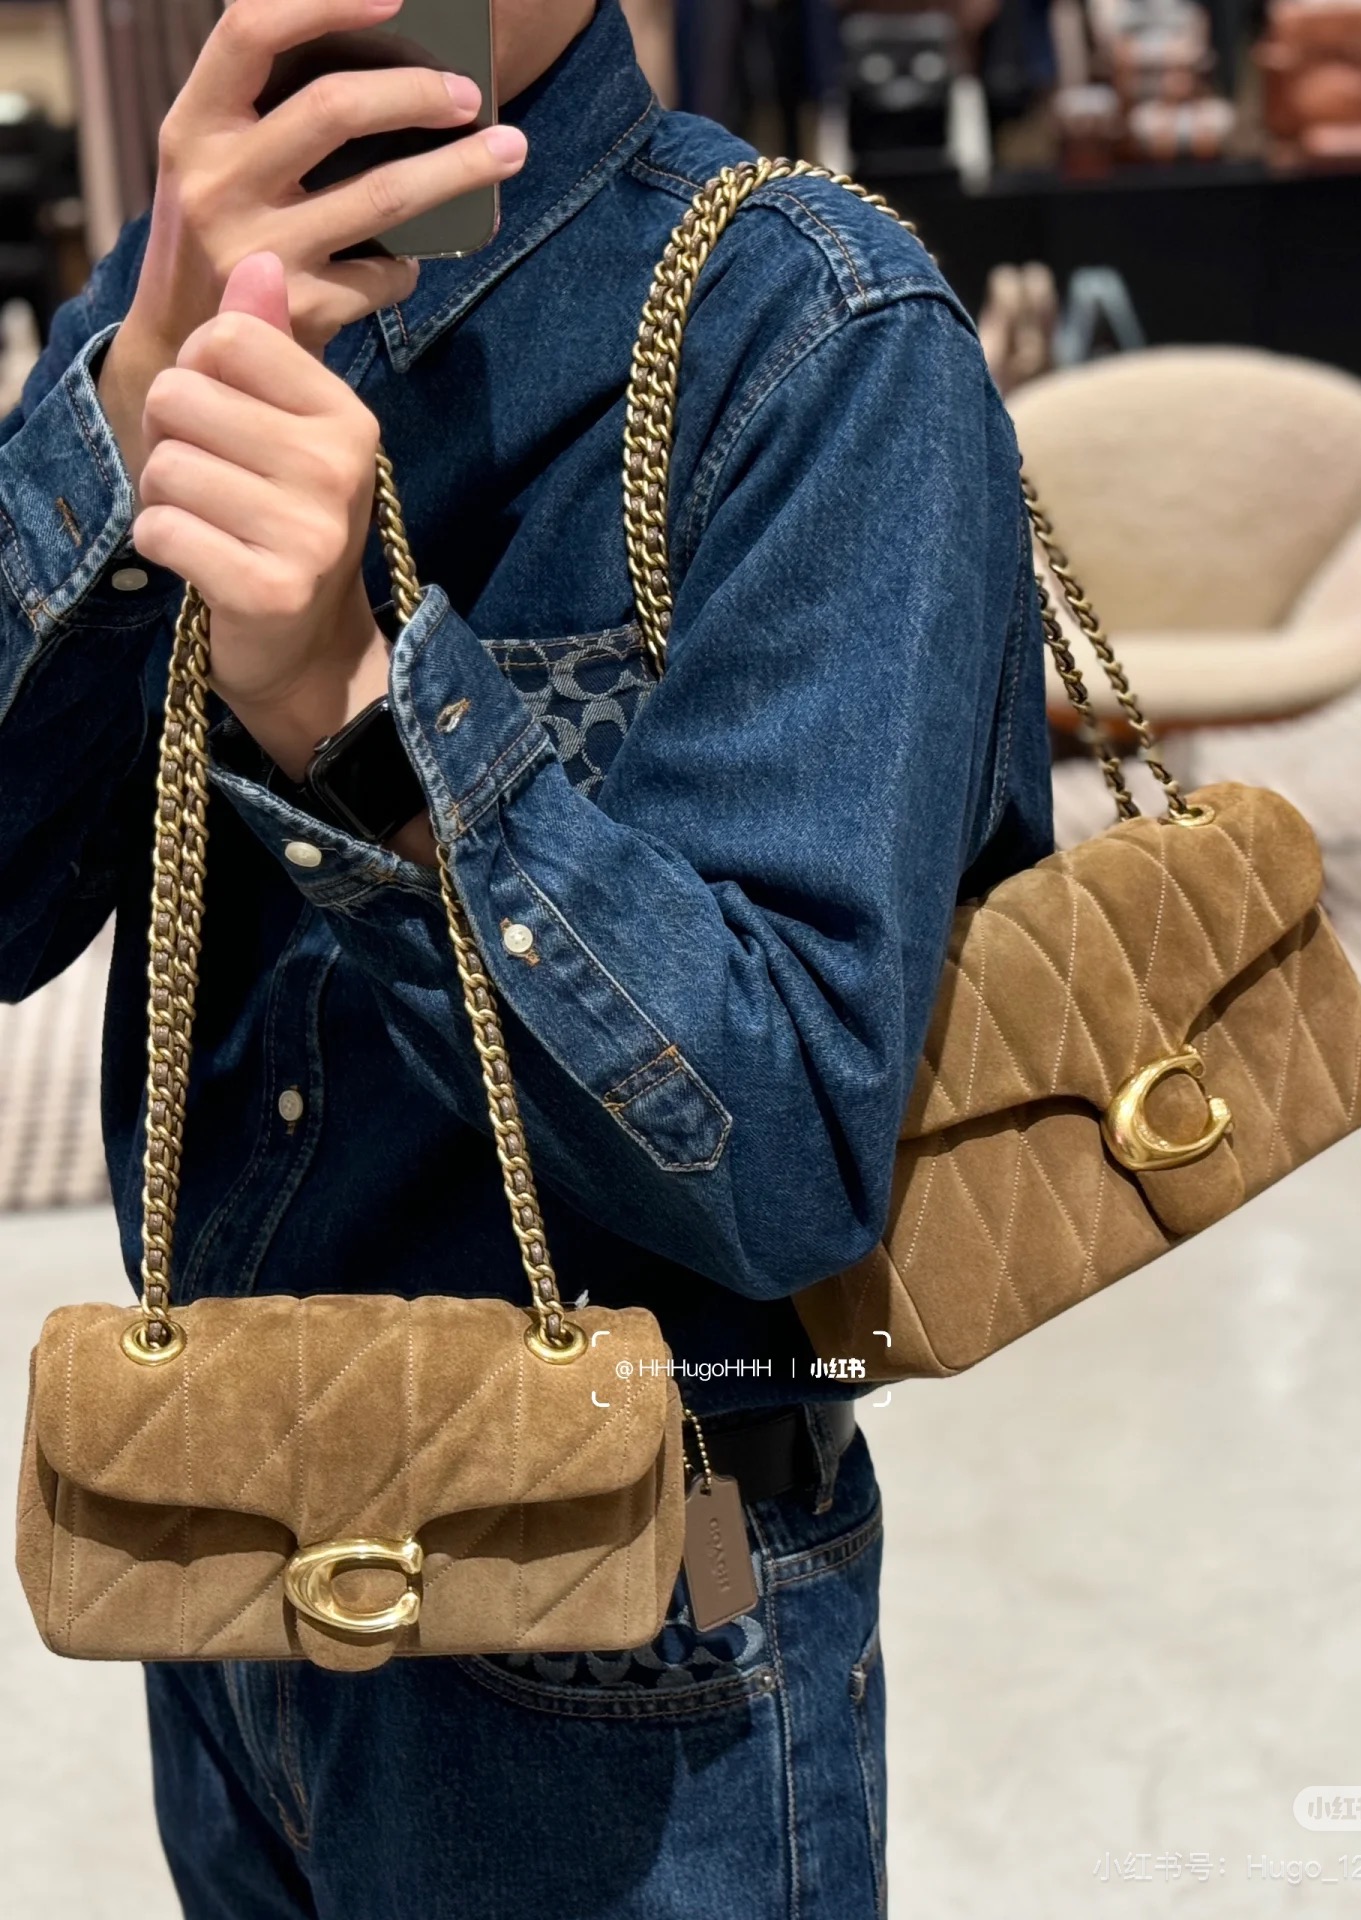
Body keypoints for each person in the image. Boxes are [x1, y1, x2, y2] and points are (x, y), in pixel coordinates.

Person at [0, 0, 1051, 1912]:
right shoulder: (162, 309)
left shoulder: (808, 330)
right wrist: (127, 399)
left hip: (637, 1622)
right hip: (223, 1566)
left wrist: (363, 716)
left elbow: (792, 1152)